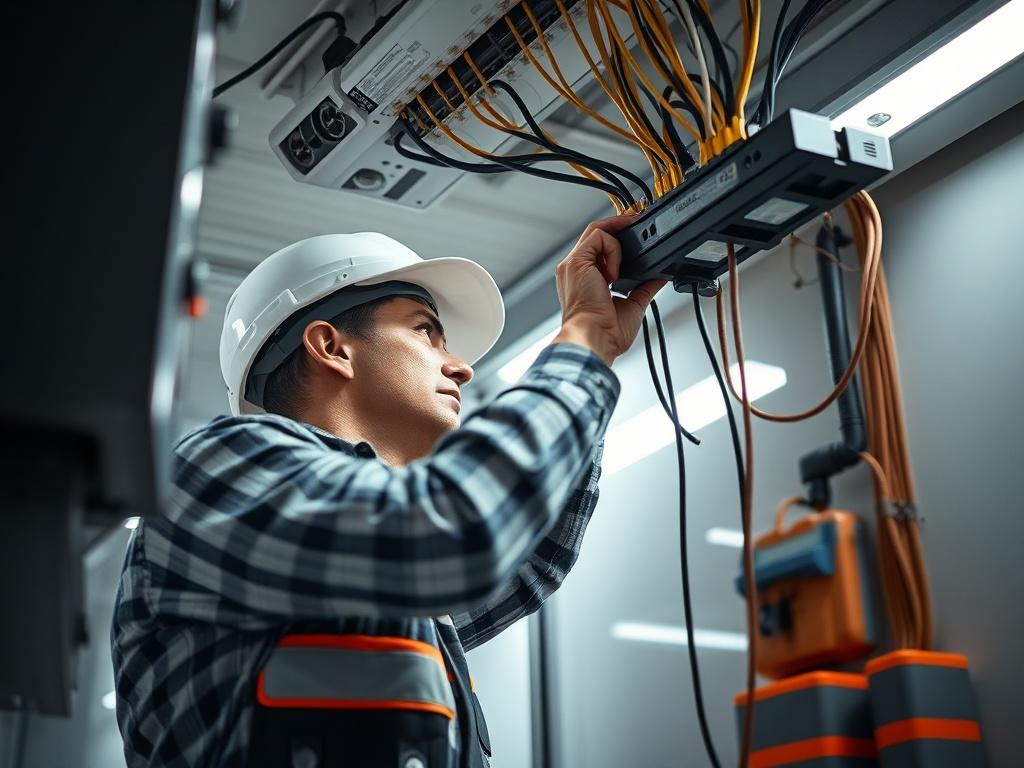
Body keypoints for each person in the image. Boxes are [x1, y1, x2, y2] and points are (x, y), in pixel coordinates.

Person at [111, 215, 664, 767]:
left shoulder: (364, 574)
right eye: (425, 331)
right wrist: (581, 342)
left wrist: (597, 347)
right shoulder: (219, 467)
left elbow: (529, 556)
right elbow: (455, 538)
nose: (461, 368)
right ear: (332, 346)